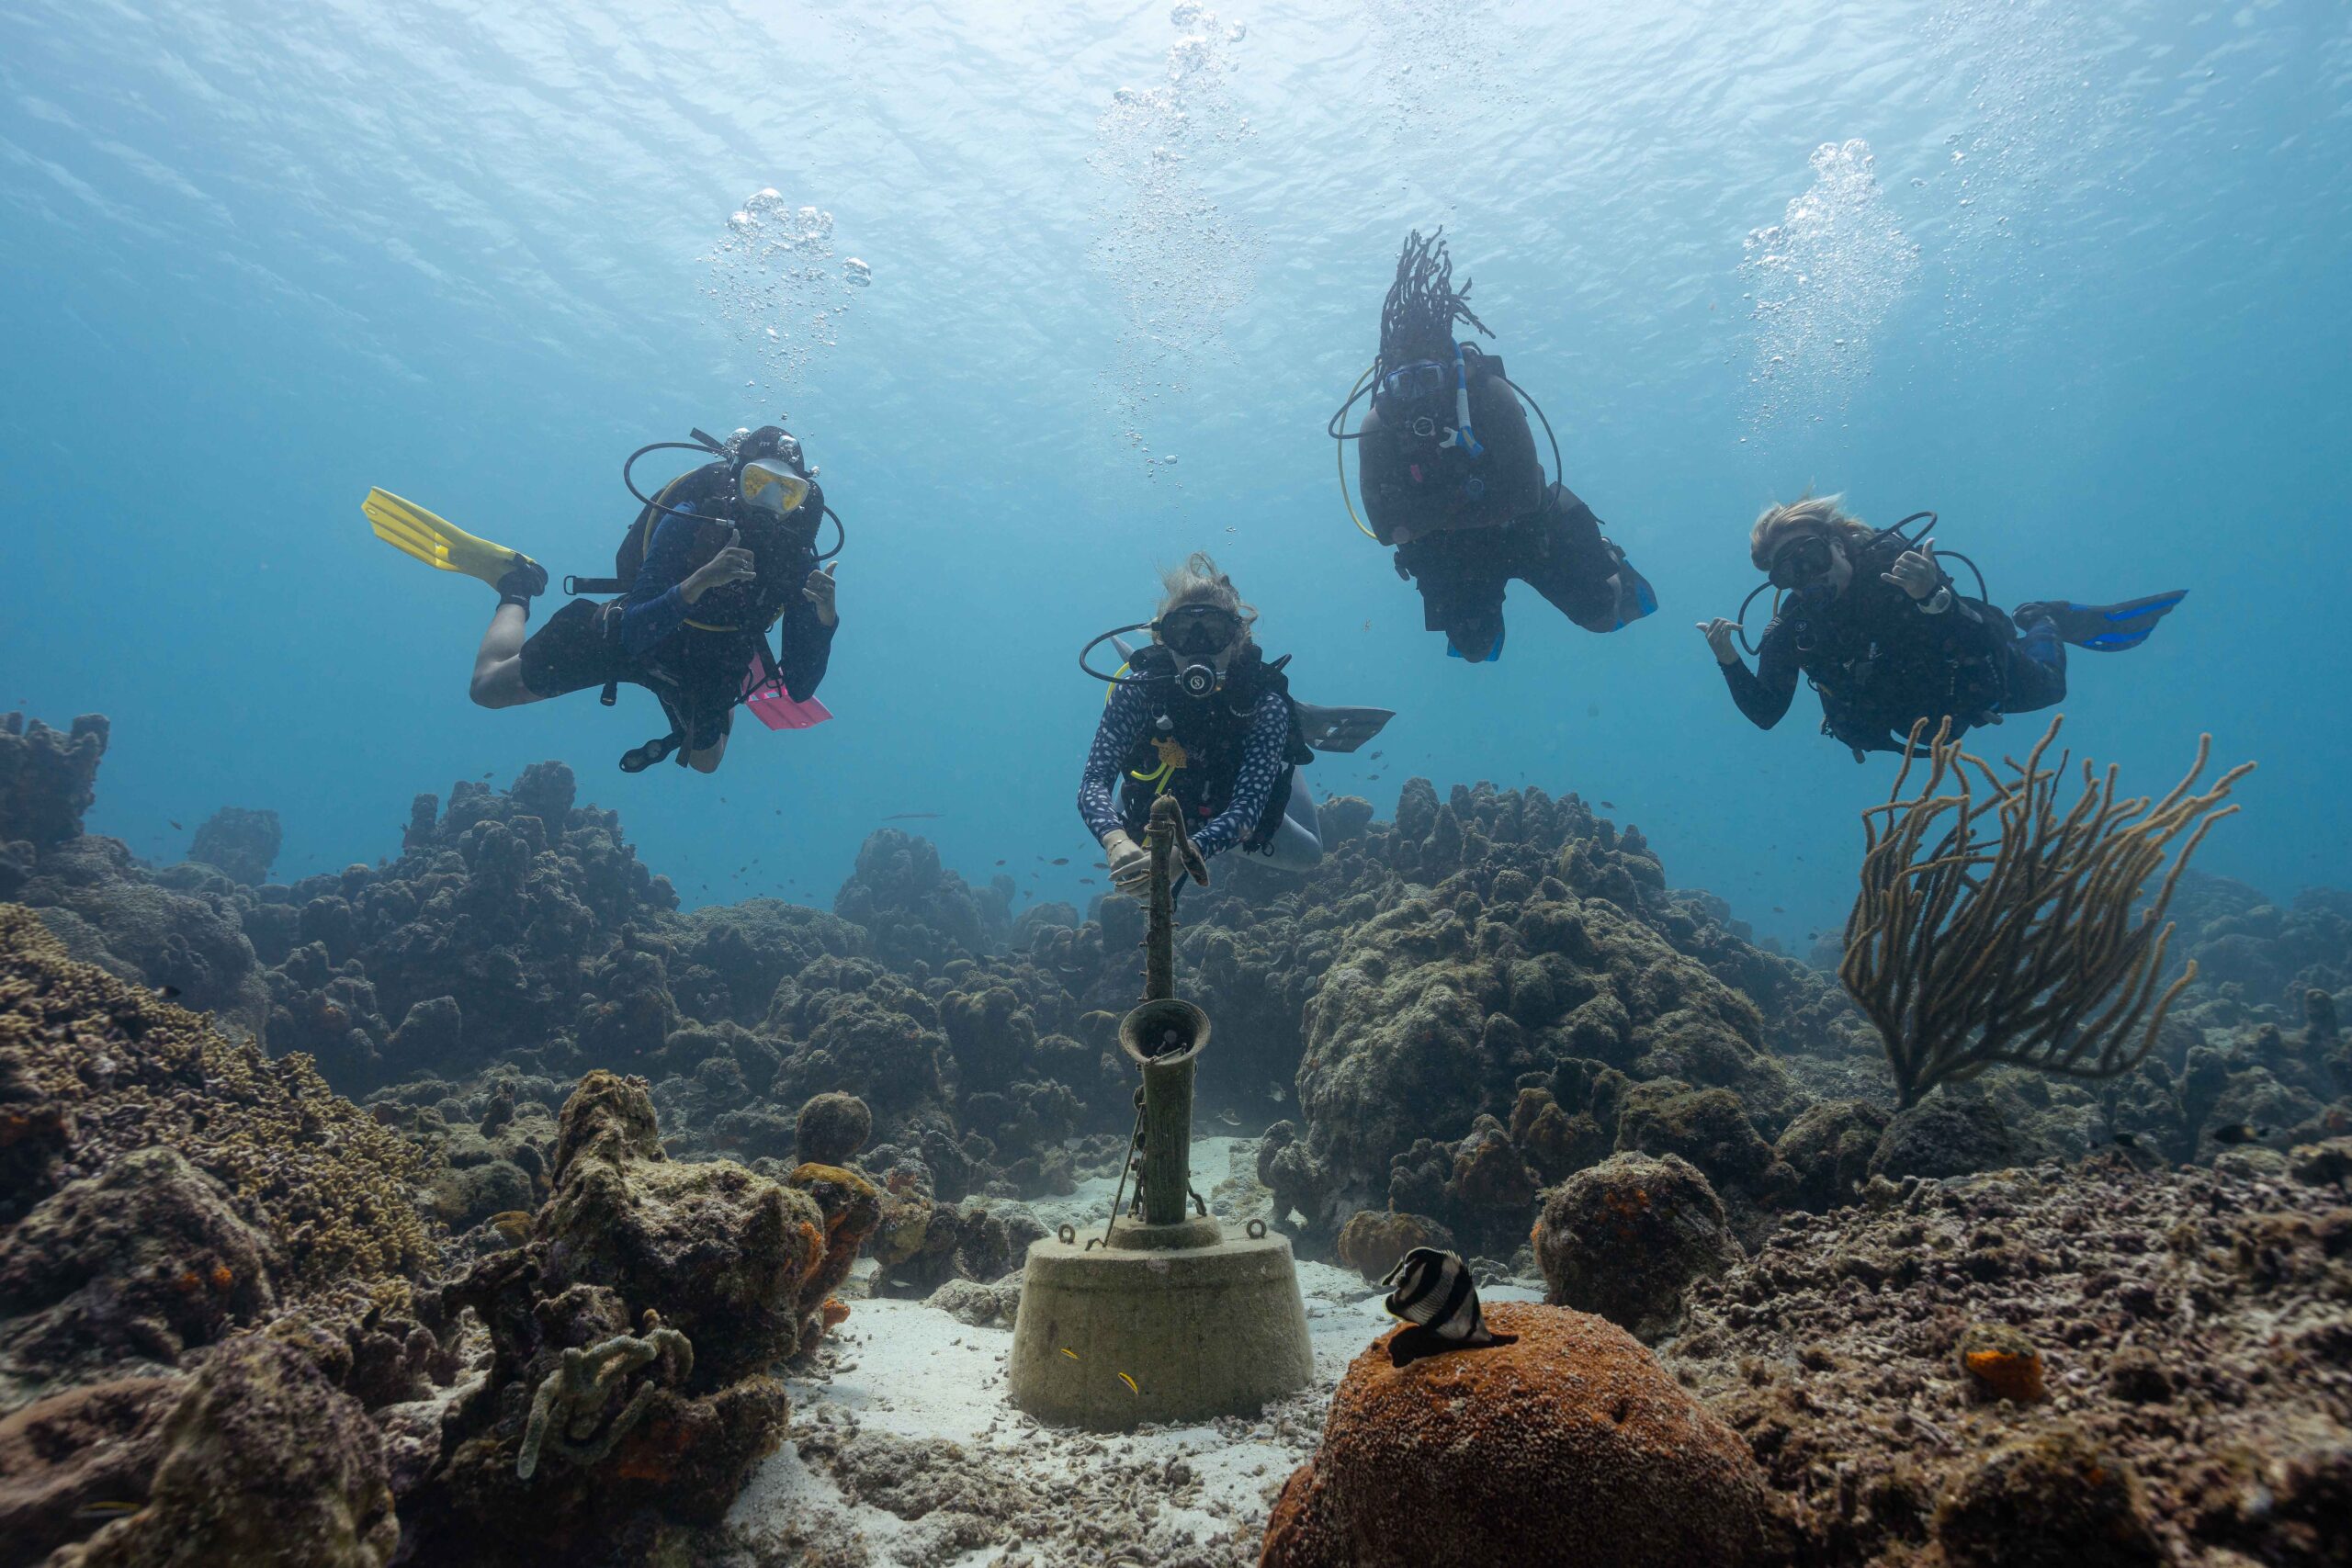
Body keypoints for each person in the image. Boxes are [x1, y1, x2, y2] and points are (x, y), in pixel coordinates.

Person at [370, 424, 839, 774]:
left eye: (786, 492)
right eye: (757, 483)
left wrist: (822, 622)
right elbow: (634, 631)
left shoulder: (796, 560)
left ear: (801, 499)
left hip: (707, 662)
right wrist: (697, 584)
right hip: (633, 632)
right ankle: (516, 584)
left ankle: (709, 700)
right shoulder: (690, 518)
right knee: (487, 689)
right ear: (736, 479)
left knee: (706, 763)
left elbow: (799, 689)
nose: (768, 502)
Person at [1344, 231, 1655, 662]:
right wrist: (1470, 497)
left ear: (1449, 371)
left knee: (1605, 612)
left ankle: (1606, 559)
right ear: (1388, 384)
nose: (1418, 396)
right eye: (1404, 384)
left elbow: (1527, 498)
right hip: (1454, 555)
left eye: (1429, 378)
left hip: (1526, 532)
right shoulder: (1377, 427)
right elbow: (1383, 530)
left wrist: (1428, 517)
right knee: (1475, 650)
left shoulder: (1489, 395)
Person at [1698, 494, 2186, 758]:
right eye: (1789, 573)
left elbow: (1981, 643)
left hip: (1965, 685)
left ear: (1839, 545)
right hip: (1907, 719)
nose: (1809, 577)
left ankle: (2044, 616)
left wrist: (1932, 597)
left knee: (2050, 689)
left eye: (1812, 557)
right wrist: (1728, 660)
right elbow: (1766, 713)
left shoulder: (1898, 570)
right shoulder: (1793, 627)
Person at [1079, 555, 1326, 894]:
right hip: (1158, 794)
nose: (1198, 648)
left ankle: (1273, 758)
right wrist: (1116, 840)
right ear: (1164, 640)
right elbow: (1094, 781)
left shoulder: (1264, 705)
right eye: (1182, 633)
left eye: (1213, 632)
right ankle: (1204, 833)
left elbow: (1247, 809)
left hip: (1234, 802)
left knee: (1309, 855)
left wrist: (1189, 852)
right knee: (1127, 859)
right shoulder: (1138, 692)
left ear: (1236, 639)